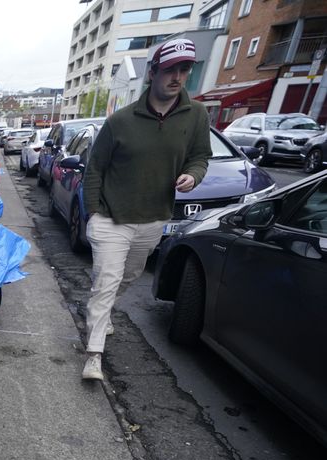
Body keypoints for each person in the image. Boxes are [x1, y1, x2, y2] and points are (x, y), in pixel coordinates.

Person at [80, 38, 211, 381]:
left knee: (129, 276)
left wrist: (192, 176)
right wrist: (92, 213)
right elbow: (95, 168)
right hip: (112, 217)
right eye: (170, 70)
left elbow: (200, 157)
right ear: (152, 72)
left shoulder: (196, 115)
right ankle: (93, 354)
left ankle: (101, 313)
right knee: (106, 281)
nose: (178, 77)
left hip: (153, 217)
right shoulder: (120, 121)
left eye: (184, 70)